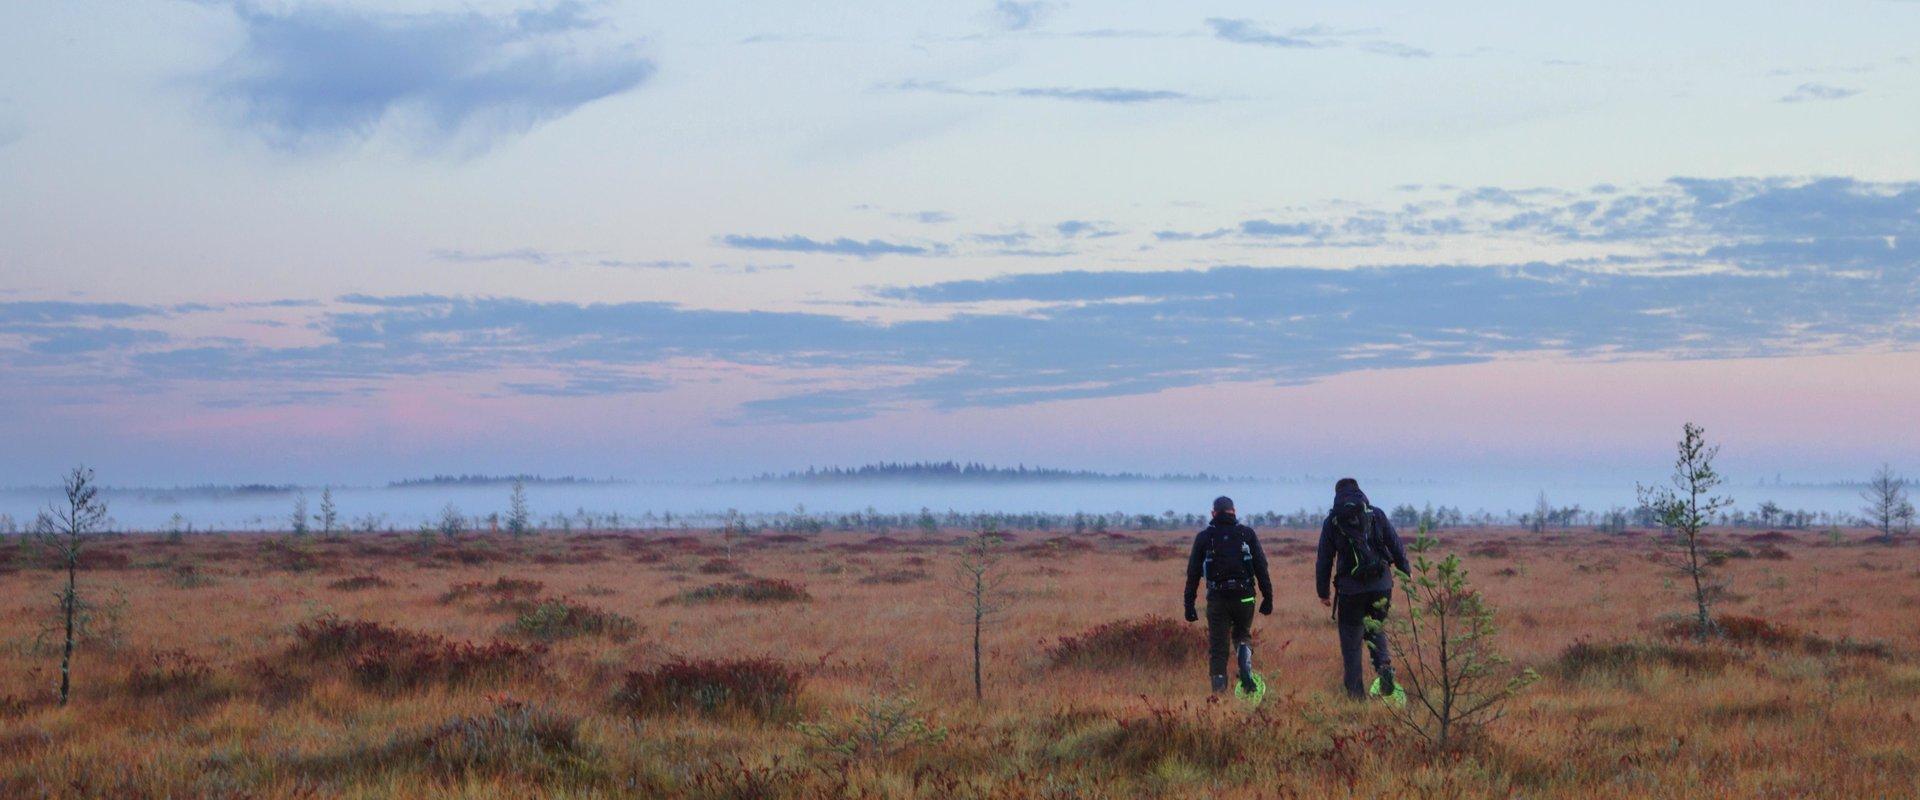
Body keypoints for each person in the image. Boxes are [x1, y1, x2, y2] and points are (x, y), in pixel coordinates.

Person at [1315, 477, 1412, 700]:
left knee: (1351, 643)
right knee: (1375, 629)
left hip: (1350, 590)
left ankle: (1356, 697)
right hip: (1381, 585)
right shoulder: (1376, 514)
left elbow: (1324, 559)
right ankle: (1384, 668)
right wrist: (1405, 569)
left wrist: (1323, 592)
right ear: (1359, 491)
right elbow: (1395, 543)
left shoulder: (1332, 521)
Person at [1183, 496, 1273, 694]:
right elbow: (1261, 566)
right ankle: (1244, 658)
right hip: (1245, 596)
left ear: (1213, 513)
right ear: (1234, 511)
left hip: (1217, 598)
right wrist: (1268, 597)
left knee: (1218, 647)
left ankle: (1219, 693)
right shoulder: (1246, 534)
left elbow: (1193, 573)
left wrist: (1189, 605)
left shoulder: (1204, 537)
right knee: (1242, 635)